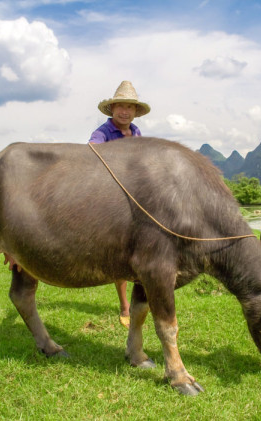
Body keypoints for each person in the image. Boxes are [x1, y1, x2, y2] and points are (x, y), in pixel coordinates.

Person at [88, 80, 150, 328]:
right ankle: (125, 304)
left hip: (134, 195)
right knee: (121, 249)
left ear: (135, 112)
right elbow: (91, 150)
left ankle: (141, 298)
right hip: (110, 196)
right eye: (120, 107)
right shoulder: (103, 132)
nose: (125, 112)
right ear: (112, 109)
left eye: (130, 107)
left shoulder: (136, 133)